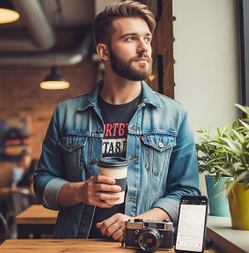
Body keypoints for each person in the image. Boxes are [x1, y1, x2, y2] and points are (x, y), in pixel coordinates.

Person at [33, 0, 200, 241]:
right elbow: (42, 183)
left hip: (142, 245)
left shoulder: (174, 115)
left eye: (147, 39)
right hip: (76, 245)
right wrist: (80, 191)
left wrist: (138, 223)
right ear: (104, 51)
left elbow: (186, 192)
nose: (144, 48)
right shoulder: (66, 113)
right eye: (131, 39)